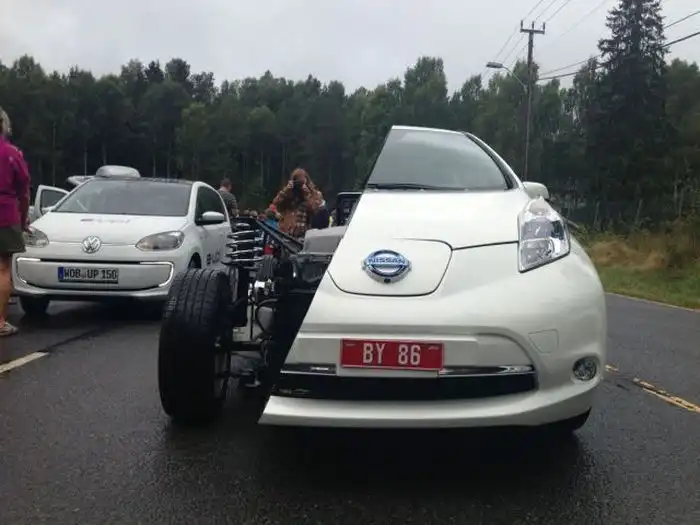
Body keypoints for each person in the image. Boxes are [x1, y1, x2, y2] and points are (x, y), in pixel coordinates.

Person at [0, 108, 30, 337]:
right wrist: (23, 219)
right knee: (2, 269)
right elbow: (24, 190)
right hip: (5, 214)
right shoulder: (11, 153)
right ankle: (0, 322)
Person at [270, 168, 323, 239]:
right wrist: (286, 190)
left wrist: (307, 195)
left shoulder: (313, 194)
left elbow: (315, 211)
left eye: (301, 183)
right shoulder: (288, 193)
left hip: (302, 235)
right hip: (285, 234)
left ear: (306, 181)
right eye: (297, 182)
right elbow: (275, 203)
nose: (299, 186)